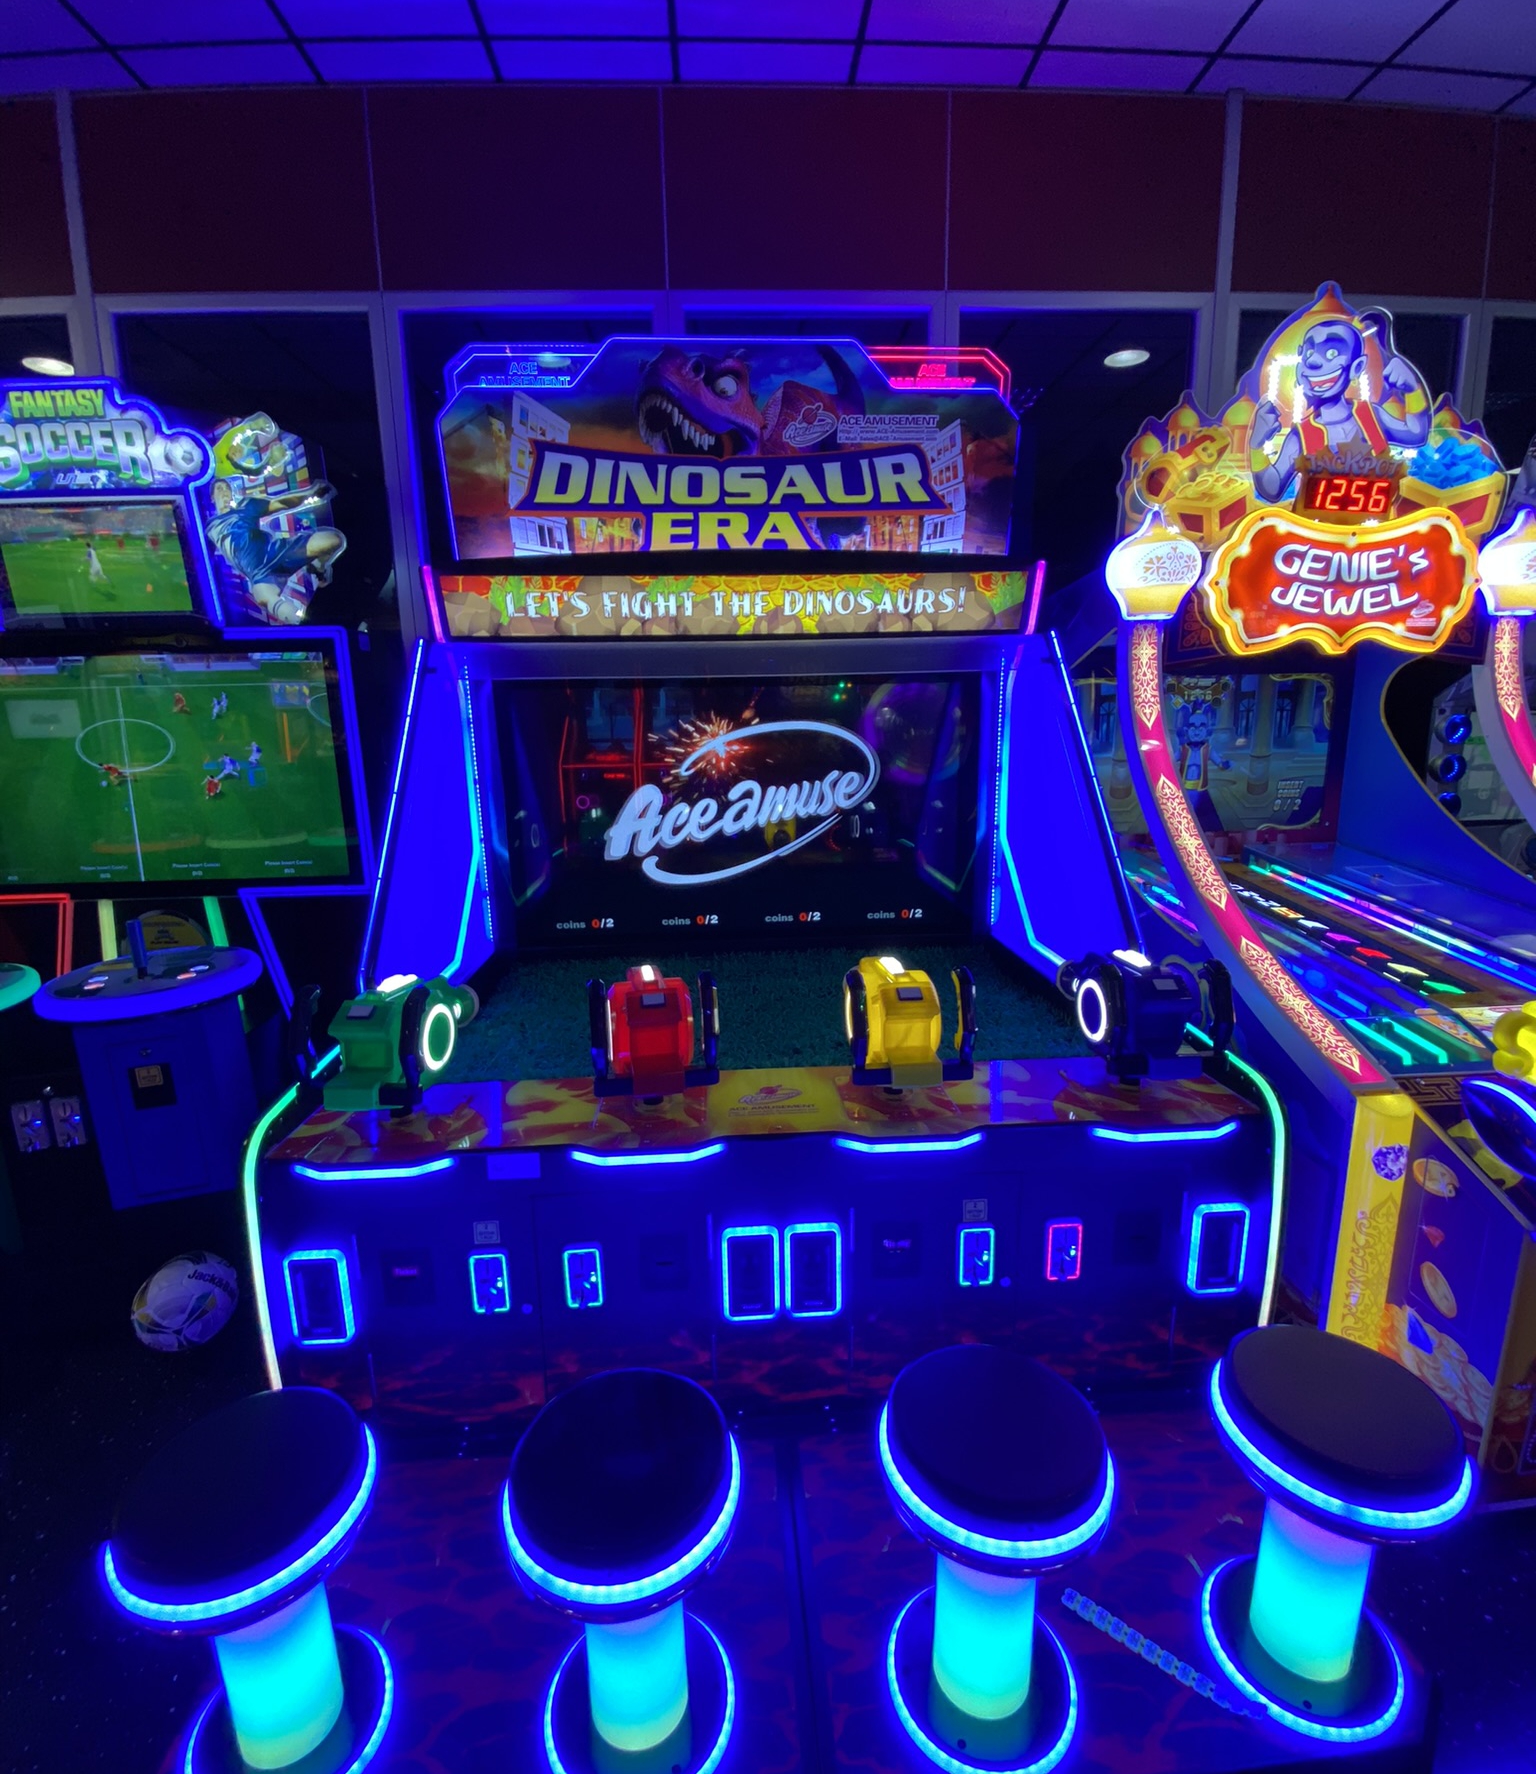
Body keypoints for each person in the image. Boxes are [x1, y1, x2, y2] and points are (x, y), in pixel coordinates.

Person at [1251, 315, 1431, 502]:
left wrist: (1413, 391)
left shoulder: (1371, 416)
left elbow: (1415, 435)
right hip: (1314, 521)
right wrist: (1256, 445)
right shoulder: (1302, 434)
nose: (1313, 362)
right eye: (1309, 353)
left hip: (1376, 520)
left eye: (1331, 353)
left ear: (1357, 367)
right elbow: (1272, 489)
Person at [205, 478, 345, 624]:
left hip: (278, 552)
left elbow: (279, 503)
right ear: (212, 497)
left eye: (227, 488)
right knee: (265, 597)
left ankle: (318, 567)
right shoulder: (210, 527)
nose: (224, 492)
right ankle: (303, 624)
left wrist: (309, 493)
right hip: (259, 573)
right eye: (219, 488)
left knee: (334, 540)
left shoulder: (246, 506)